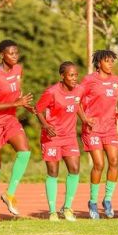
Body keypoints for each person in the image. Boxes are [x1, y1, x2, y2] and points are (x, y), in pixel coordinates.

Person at [0, 40, 34, 224]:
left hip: (10, 118)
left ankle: (9, 193)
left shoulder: (18, 70)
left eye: (16, 53)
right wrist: (16, 104)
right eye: (11, 53)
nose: (14, 56)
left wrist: (24, 104)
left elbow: (15, 94)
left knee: (25, 151)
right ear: (2, 54)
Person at [35, 61, 92, 222]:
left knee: (74, 169)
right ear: (62, 76)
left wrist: (85, 120)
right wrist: (45, 125)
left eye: (76, 75)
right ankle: (52, 211)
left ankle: (67, 207)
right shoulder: (51, 92)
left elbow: (77, 104)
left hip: (69, 137)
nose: (74, 78)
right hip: (52, 138)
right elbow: (37, 109)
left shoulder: (79, 90)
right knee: (53, 172)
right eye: (71, 75)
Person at [80, 50, 118, 219]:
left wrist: (116, 114)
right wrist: (85, 119)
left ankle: (108, 200)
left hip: (110, 128)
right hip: (93, 128)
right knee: (99, 164)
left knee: (114, 161)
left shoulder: (116, 80)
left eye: (112, 61)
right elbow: (77, 100)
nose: (111, 64)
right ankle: (92, 202)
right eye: (107, 61)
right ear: (98, 63)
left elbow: (113, 102)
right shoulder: (89, 80)